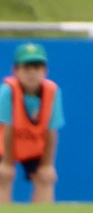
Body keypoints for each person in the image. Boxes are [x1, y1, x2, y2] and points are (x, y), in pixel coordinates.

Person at [0, 43, 62, 202]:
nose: (32, 73)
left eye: (37, 67)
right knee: (3, 176)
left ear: (45, 71)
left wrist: (47, 164)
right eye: (26, 67)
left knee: (45, 178)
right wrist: (7, 164)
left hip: (32, 146)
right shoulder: (7, 91)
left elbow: (51, 131)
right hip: (4, 145)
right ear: (15, 71)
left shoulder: (52, 92)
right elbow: (8, 128)